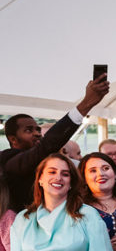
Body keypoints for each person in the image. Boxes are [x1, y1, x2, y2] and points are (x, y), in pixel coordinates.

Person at [1, 76, 109, 210]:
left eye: (38, 129)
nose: (37, 133)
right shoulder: (10, 161)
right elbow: (48, 144)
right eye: (29, 130)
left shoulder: (46, 160)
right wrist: (85, 104)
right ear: (13, 139)